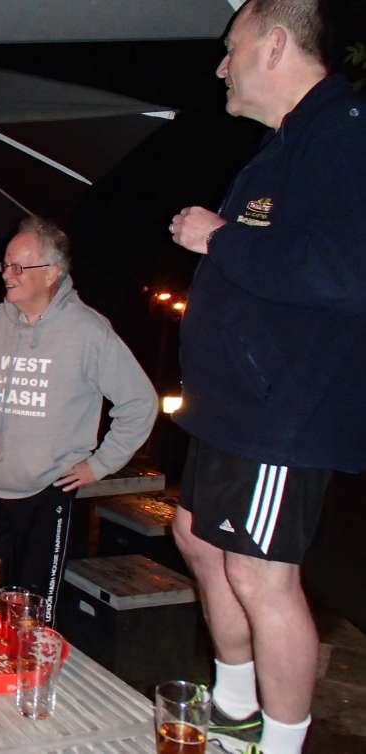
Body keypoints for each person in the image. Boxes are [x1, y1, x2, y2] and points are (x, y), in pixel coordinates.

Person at [167, 3, 366, 752]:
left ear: (276, 44)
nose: (221, 66)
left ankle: (278, 745)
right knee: (195, 537)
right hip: (235, 405)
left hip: (284, 409)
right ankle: (234, 710)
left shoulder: (343, 133)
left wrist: (218, 237)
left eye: (232, 47)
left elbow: (344, 273)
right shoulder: (288, 144)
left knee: (260, 574)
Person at [0, 216, 156, 625]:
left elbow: (140, 403)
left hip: (48, 492)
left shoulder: (88, 330)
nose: (6, 275)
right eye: (5, 265)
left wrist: (100, 465)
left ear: (51, 273)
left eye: (18, 267)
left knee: (31, 617)